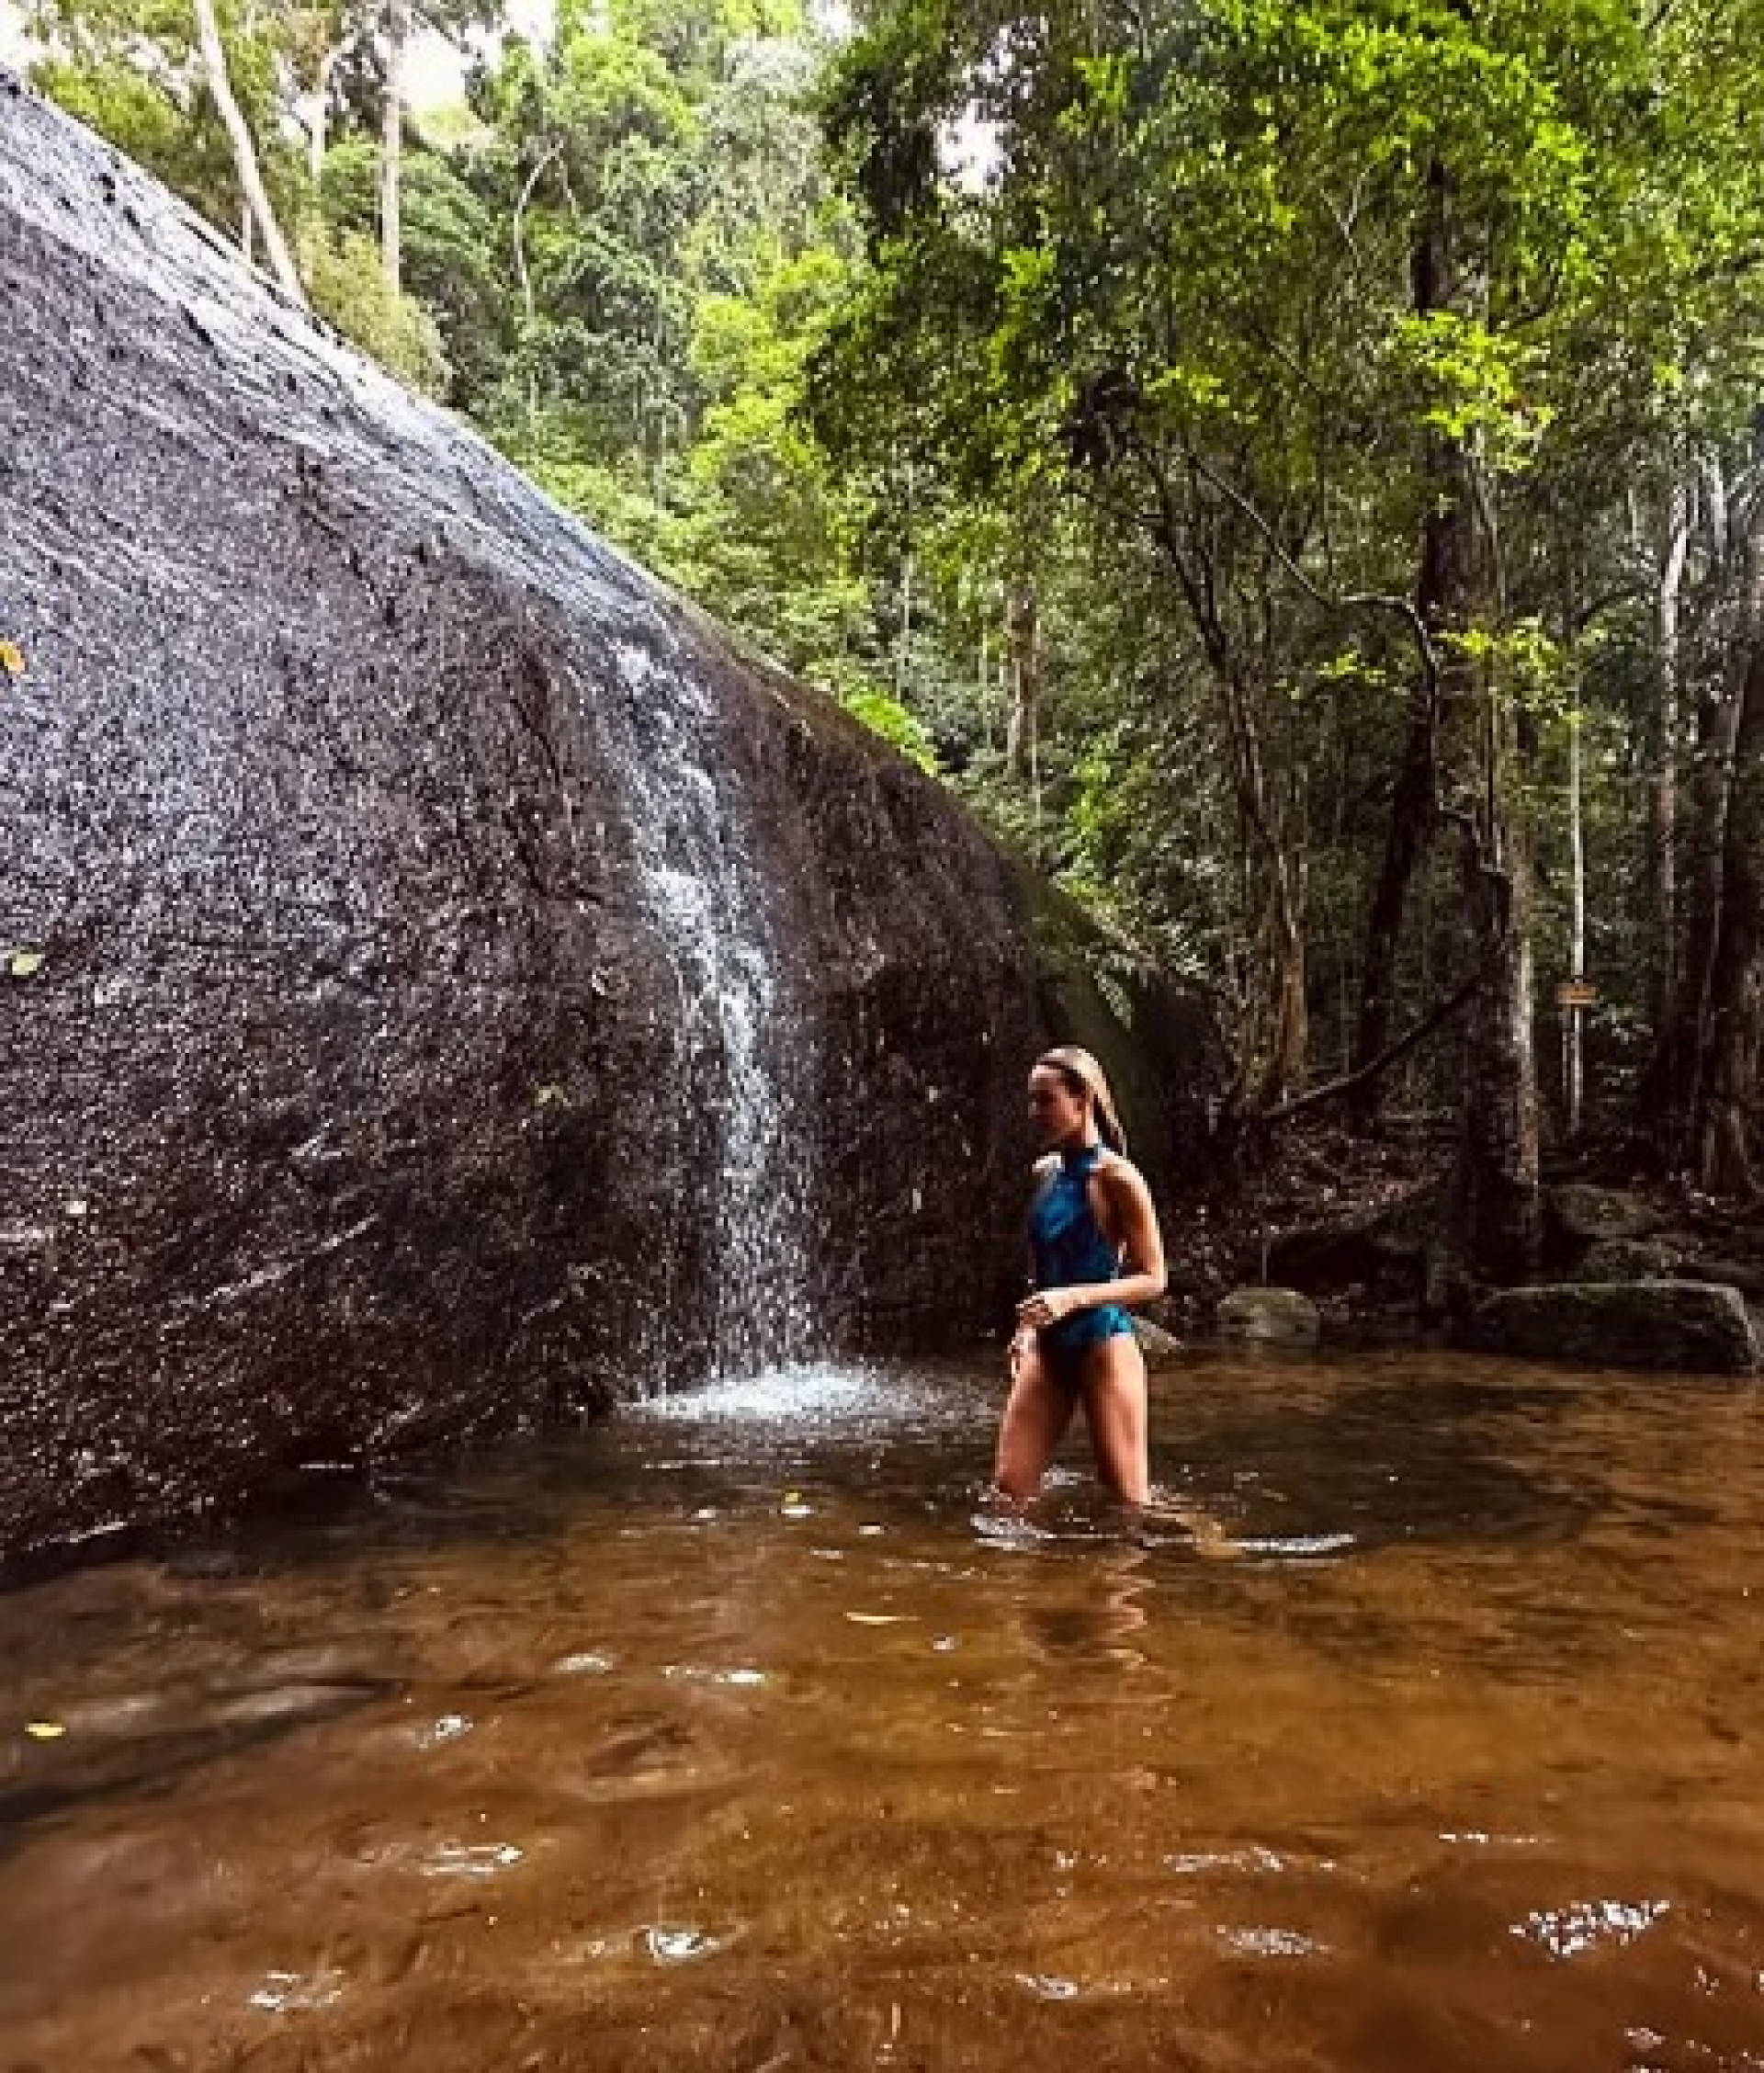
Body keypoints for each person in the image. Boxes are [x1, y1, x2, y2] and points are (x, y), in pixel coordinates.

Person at [995, 1046, 1168, 1505]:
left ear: (1083, 1098)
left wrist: (1070, 1300)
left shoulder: (1118, 1178)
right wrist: (1027, 1329)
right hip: (1048, 1350)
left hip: (1103, 1346)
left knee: (1128, 1502)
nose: (1035, 1113)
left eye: (1045, 1100)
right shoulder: (1046, 1173)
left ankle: (1195, 1537)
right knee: (1009, 1494)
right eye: (1031, 1100)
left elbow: (1154, 1279)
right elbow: (1043, 1268)